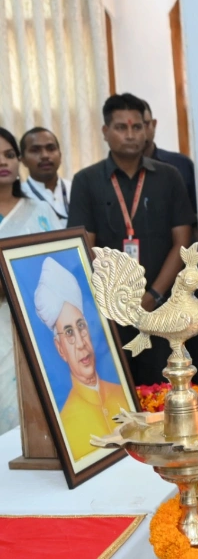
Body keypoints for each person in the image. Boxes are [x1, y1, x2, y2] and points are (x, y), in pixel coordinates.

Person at [67, 93, 196, 387]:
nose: (130, 134)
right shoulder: (86, 181)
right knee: (116, 394)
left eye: (137, 127)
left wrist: (153, 297)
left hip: (163, 311)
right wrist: (118, 300)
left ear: (147, 129)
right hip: (108, 314)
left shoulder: (169, 177)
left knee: (164, 393)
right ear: (105, 131)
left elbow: (182, 242)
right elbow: (84, 247)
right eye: (121, 127)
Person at [34, 257, 129, 461]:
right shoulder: (66, 424)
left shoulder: (123, 394)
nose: (80, 343)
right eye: (69, 332)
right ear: (60, 349)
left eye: (81, 327)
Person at [0, 127, 62, 434]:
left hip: (38, 325)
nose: (3, 162)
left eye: (9, 154)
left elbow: (60, 266)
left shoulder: (40, 212)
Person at [139, 98, 198, 373]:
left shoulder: (179, 166)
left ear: (152, 125)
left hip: (179, 286)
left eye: (142, 125)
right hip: (136, 294)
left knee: (187, 365)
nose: (135, 133)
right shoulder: (102, 179)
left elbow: (196, 224)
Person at [19, 127, 71, 222]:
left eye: (51, 149)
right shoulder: (18, 196)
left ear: (60, 155)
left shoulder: (75, 189)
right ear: (23, 160)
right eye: (35, 150)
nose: (45, 155)